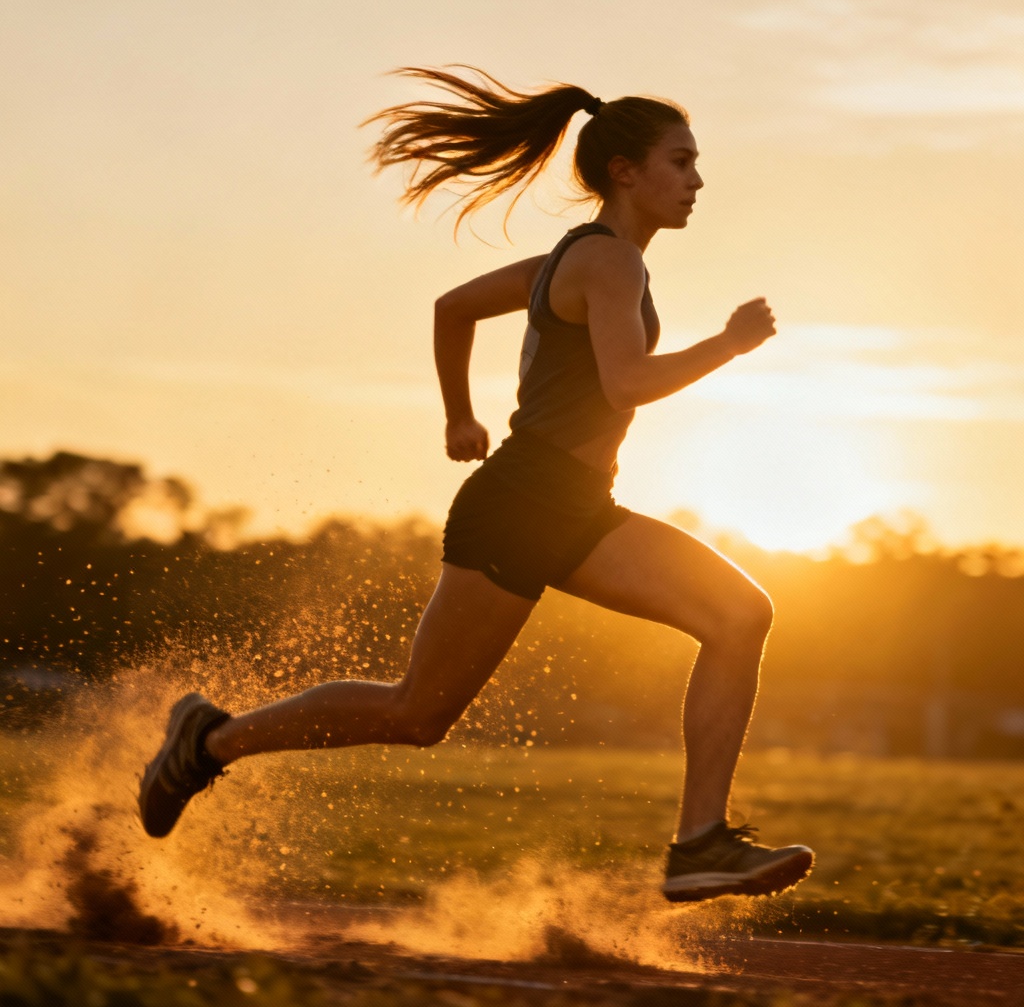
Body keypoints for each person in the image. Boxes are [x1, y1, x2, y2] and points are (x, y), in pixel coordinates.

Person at [138, 66, 813, 903]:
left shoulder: (576, 259)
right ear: (624, 172)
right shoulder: (610, 264)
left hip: (571, 504)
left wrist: (460, 416)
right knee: (416, 714)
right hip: (525, 503)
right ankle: (208, 742)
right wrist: (729, 343)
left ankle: (701, 842)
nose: (697, 179)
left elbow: (451, 307)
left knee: (740, 613)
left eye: (696, 162)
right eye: (681, 161)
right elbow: (628, 384)